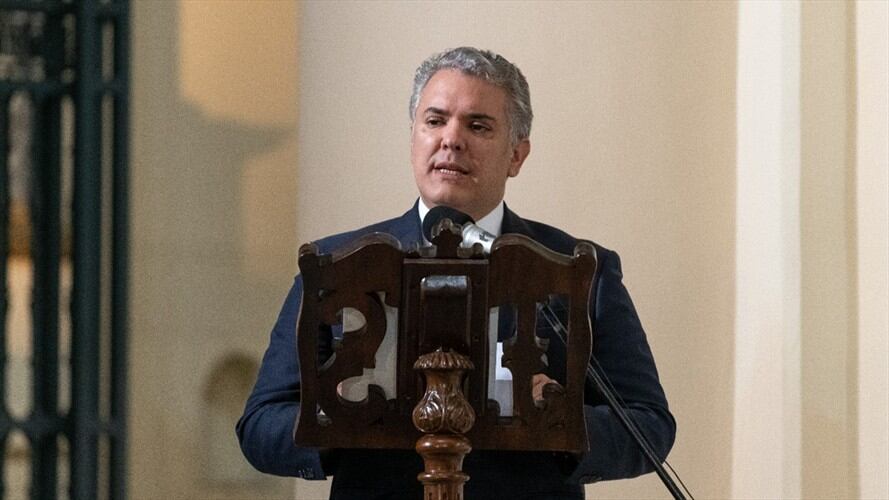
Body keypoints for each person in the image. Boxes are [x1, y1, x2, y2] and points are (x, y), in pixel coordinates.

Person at [237, 47, 675, 500]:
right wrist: (336, 416)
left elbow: (648, 425)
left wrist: (559, 417)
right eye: (435, 120)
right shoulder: (335, 265)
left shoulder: (580, 268)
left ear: (517, 155)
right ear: (413, 139)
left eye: (478, 126)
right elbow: (260, 425)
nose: (451, 139)